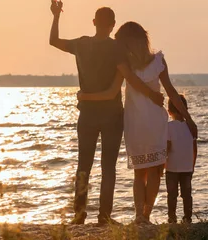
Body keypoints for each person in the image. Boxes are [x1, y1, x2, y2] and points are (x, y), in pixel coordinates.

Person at [49, 1, 165, 226]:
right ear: (112, 25)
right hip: (112, 115)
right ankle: (104, 216)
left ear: (93, 22)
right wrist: (152, 96)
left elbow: (53, 41)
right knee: (108, 167)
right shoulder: (116, 48)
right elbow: (129, 78)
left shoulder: (81, 44)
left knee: (84, 165)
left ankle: (79, 215)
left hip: (87, 115)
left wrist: (55, 16)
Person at [77, 22, 197, 224]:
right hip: (153, 121)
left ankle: (140, 217)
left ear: (130, 42)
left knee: (141, 173)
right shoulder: (157, 61)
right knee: (154, 171)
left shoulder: (125, 64)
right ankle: (145, 216)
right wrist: (188, 118)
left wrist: (85, 95)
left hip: (135, 121)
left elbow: (120, 86)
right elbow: (171, 93)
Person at [166, 95, 197, 224]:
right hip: (187, 166)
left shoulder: (168, 126)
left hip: (172, 167)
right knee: (187, 194)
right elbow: (195, 148)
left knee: (172, 195)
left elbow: (167, 147)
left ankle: (172, 218)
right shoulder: (191, 127)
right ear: (186, 110)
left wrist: (162, 164)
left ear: (169, 111)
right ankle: (187, 217)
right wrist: (192, 164)